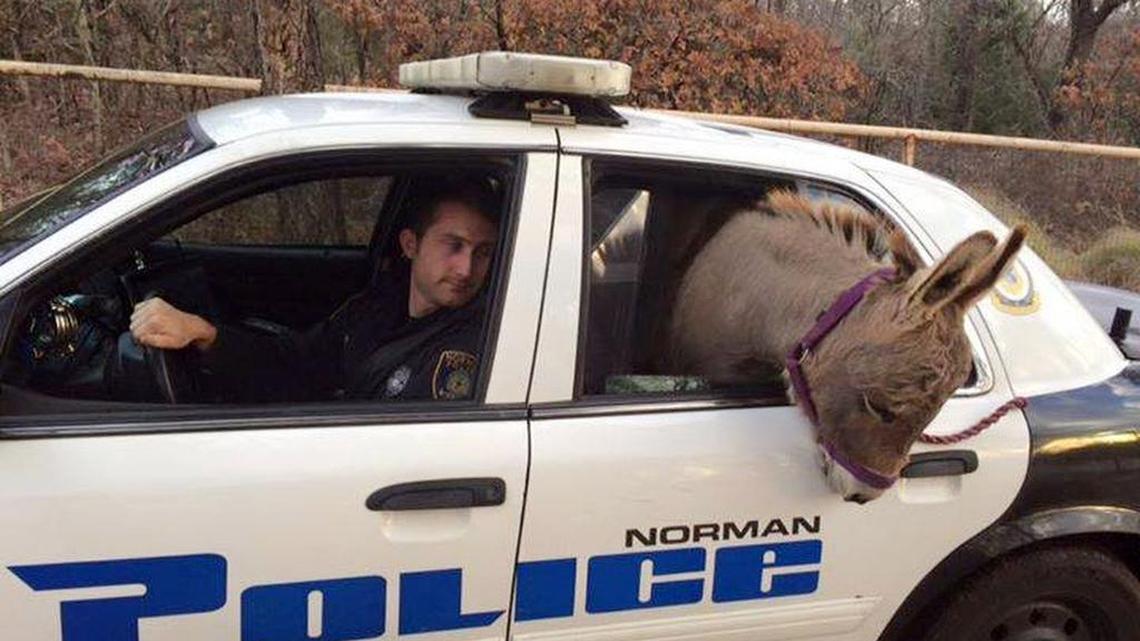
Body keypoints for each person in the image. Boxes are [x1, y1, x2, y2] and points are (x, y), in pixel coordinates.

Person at [129, 179, 499, 402]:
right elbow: (299, 362)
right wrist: (206, 336)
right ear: (410, 244)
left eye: (482, 252)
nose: (466, 269)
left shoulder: (476, 344)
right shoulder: (379, 304)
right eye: (454, 245)